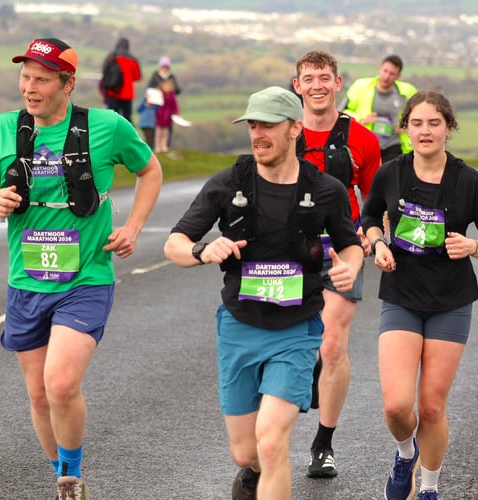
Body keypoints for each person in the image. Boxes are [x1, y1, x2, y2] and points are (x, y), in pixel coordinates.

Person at [0, 38, 162, 499]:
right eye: (25, 77)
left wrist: (133, 226)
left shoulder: (107, 126)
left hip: (86, 277)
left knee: (62, 383)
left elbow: (150, 170)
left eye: (42, 79)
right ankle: (62, 472)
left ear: (68, 84)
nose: (30, 88)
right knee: (38, 395)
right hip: (26, 281)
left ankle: (70, 477)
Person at [163, 86, 363, 500]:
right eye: (252, 124)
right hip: (239, 326)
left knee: (272, 443)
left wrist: (349, 268)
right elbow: (174, 244)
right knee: (246, 451)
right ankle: (252, 472)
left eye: (268, 125)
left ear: (294, 129)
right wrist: (202, 249)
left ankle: (265, 471)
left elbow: (350, 243)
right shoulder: (228, 183)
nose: (258, 133)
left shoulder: (325, 189)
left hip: (297, 328)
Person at [361, 90, 478, 500]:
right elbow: (370, 215)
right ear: (406, 129)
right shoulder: (392, 172)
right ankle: (405, 453)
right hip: (402, 296)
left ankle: (428, 488)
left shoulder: (468, 180)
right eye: (417, 123)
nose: (425, 131)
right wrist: (379, 244)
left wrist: (473, 247)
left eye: (434, 123)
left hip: (451, 300)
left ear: (448, 128)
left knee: (429, 408)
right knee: (396, 407)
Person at [292, 50, 382, 479]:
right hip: (288, 252)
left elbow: (375, 201)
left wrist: (369, 234)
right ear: (297, 86)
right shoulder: (284, 131)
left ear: (338, 82)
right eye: (308, 78)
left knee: (332, 344)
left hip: (342, 248)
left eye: (324, 78)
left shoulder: (361, 138)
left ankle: (323, 444)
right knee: (291, 342)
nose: (317, 86)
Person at [341, 54, 417, 163]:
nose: (386, 76)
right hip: (366, 145)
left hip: (394, 146)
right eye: (385, 71)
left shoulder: (407, 92)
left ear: (398, 76)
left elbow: (420, 117)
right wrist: (362, 120)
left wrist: (408, 127)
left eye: (392, 74)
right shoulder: (360, 87)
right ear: (380, 69)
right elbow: (343, 112)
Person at [101, 37, 141, 123]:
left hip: (113, 92)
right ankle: (127, 136)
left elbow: (104, 72)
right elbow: (137, 77)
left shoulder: (111, 57)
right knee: (127, 118)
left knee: (112, 118)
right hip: (127, 93)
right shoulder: (133, 59)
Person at [148, 56, 181, 147]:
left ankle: (166, 146)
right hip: (158, 108)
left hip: (169, 108)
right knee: (158, 130)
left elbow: (177, 89)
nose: (165, 69)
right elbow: (150, 88)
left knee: (168, 130)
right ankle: (157, 146)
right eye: (163, 67)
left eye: (167, 67)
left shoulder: (172, 77)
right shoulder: (155, 76)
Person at [154, 79, 179, 154]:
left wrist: (176, 113)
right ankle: (157, 147)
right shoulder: (159, 94)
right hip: (159, 116)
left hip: (168, 116)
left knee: (166, 133)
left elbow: (175, 105)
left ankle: (164, 146)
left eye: (169, 87)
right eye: (166, 87)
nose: (167, 88)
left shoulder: (172, 96)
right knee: (158, 133)